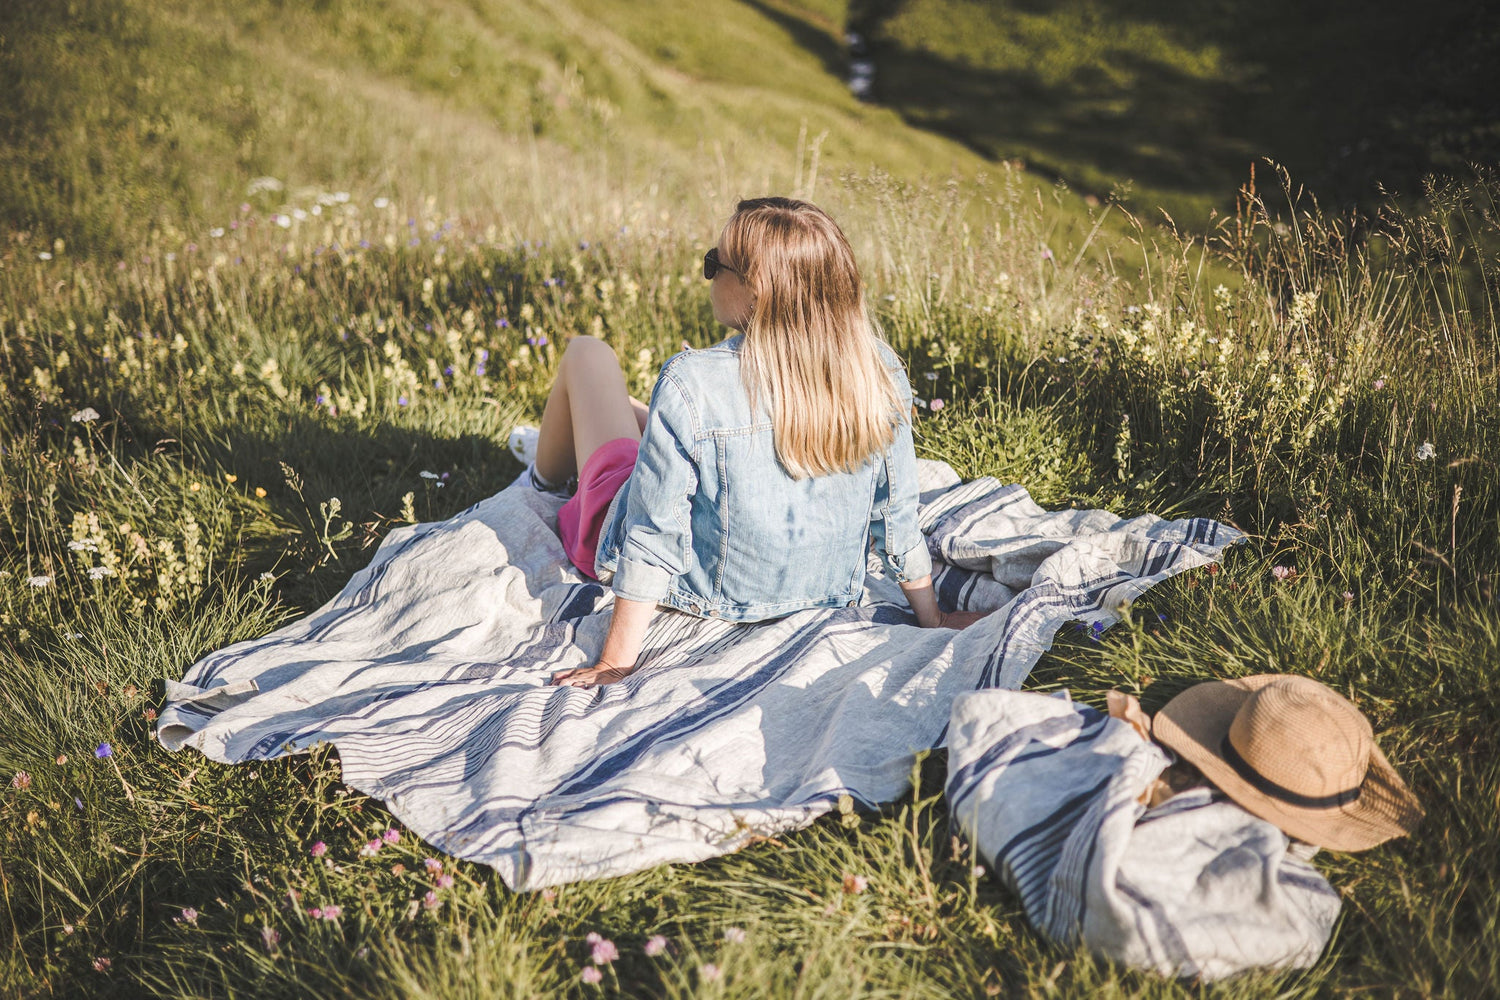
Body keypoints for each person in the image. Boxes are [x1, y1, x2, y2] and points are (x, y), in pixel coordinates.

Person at [527, 197, 988, 689]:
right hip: (826, 591)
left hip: (690, 579)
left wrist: (613, 662)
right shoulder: (877, 371)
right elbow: (896, 519)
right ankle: (640, 429)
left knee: (586, 354)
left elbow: (652, 535)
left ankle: (542, 479)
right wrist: (932, 618)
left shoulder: (692, 383)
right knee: (677, 422)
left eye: (714, 264)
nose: (707, 275)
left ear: (755, 290)